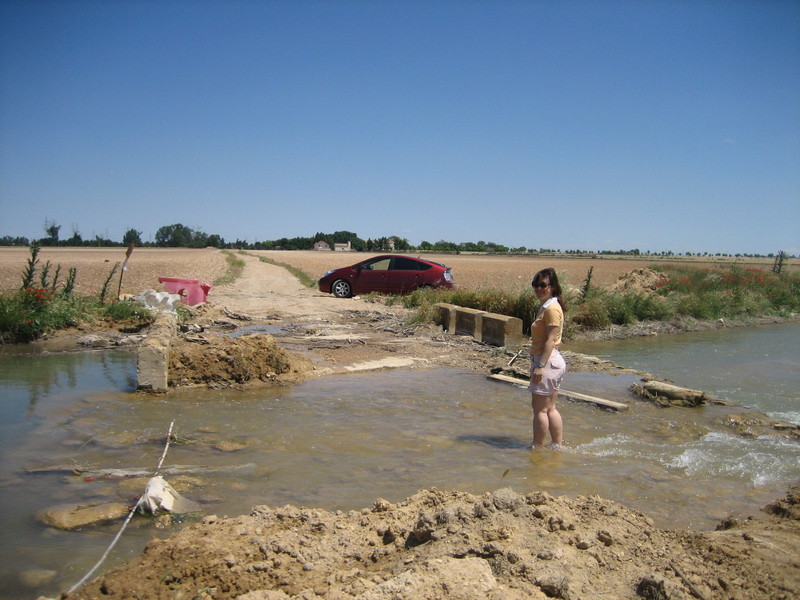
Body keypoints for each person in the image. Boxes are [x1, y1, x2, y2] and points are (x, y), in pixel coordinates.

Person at [529, 268, 567, 448]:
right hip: (554, 361)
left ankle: (537, 448)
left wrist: (540, 366)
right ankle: (557, 447)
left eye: (542, 285)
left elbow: (551, 340)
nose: (538, 288)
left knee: (540, 410)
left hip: (548, 361)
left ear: (552, 286)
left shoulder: (551, 308)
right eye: (535, 285)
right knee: (550, 408)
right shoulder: (551, 305)